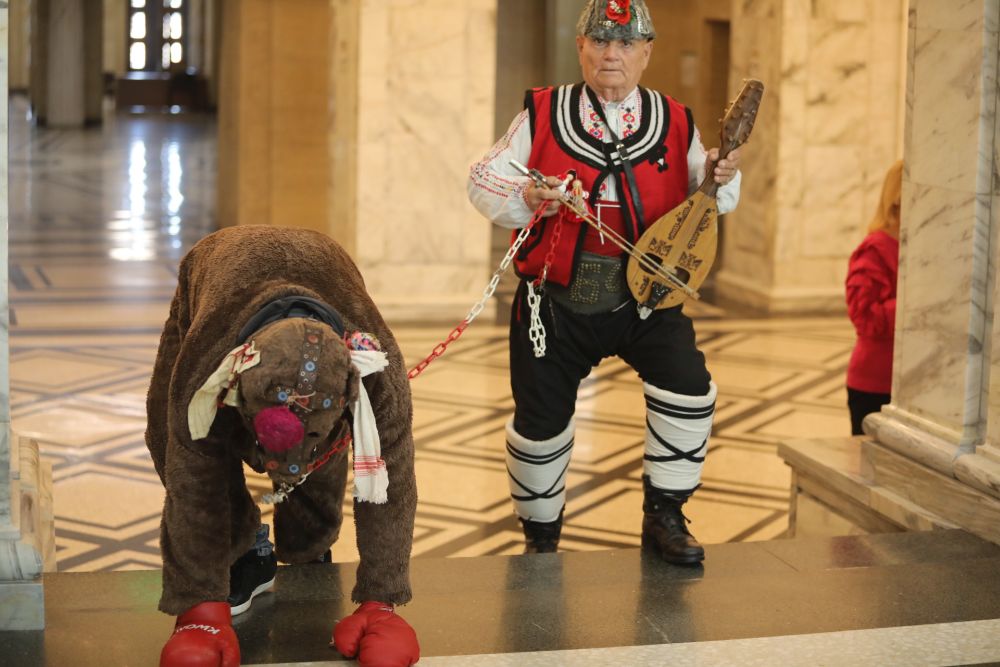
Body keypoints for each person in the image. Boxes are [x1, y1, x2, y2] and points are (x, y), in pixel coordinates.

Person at [467, 0, 742, 564]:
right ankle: (541, 538)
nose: (610, 54)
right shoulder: (543, 112)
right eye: (599, 42)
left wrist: (721, 176)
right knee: (539, 426)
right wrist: (526, 197)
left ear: (646, 54)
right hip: (555, 304)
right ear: (581, 49)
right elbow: (481, 177)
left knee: (689, 387)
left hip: (649, 301)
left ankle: (664, 516)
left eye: (624, 44)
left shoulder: (678, 120)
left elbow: (714, 200)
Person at [147, 226, 419, 667]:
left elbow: (393, 480)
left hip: (323, 261)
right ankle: (245, 548)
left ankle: (309, 545)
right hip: (217, 266)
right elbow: (194, 477)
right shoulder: (210, 360)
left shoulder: (376, 371)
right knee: (169, 432)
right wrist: (201, 607)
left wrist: (380, 600)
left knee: (317, 452)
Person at [846, 160, 902, 435]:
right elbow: (865, 317)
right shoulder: (875, 249)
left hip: (906, 384)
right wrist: (911, 306)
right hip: (873, 384)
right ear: (898, 201)